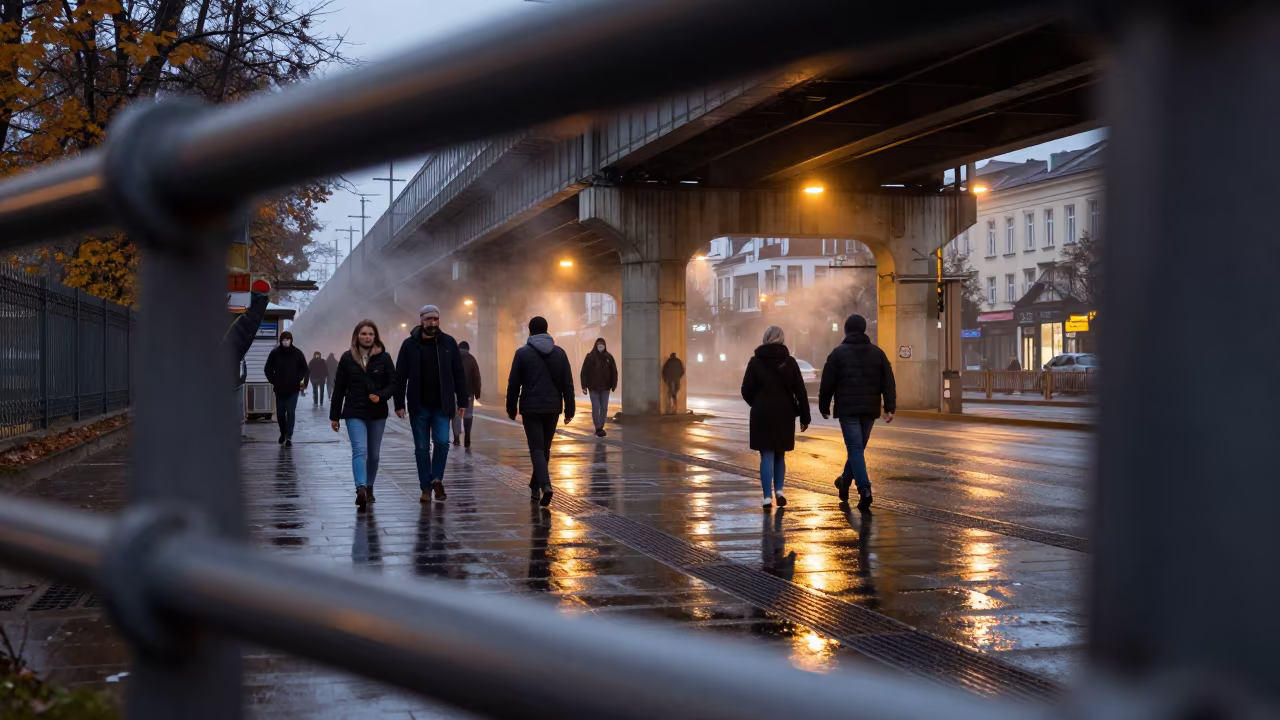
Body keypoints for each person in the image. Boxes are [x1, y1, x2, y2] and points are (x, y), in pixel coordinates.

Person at [819, 314, 896, 511]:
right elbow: (888, 380)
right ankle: (845, 481)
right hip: (870, 409)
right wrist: (889, 407)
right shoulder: (877, 353)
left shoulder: (837, 354)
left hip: (847, 409)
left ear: (846, 330)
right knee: (857, 449)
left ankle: (864, 489)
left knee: (855, 449)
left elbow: (827, 382)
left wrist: (824, 405)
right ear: (864, 330)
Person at [394, 305, 468, 503]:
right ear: (421, 320)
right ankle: (425, 488)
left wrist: (462, 400)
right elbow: (400, 376)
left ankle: (436, 479)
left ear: (439, 320)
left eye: (435, 319)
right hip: (419, 405)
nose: (432, 323)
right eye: (428, 319)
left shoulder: (448, 343)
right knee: (421, 448)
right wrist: (399, 402)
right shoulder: (409, 345)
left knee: (443, 442)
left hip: (442, 405)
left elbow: (459, 374)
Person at [506, 316, 575, 508]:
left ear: (530, 331)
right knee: (544, 449)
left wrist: (511, 408)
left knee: (537, 449)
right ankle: (534, 486)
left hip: (531, 408)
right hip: (553, 408)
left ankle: (545, 485)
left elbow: (513, 385)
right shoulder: (560, 354)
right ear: (547, 329)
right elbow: (567, 385)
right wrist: (570, 409)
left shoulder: (522, 354)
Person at [741, 326, 811, 509]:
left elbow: (745, 390)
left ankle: (766, 497)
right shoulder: (790, 362)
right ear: (782, 339)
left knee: (766, 454)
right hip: (785, 412)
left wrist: (757, 403)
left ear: (765, 339)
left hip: (761, 413)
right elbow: (800, 391)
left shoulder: (755, 362)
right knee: (780, 453)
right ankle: (779, 491)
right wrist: (805, 416)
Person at [330, 320, 396, 509]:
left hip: (377, 413)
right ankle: (360, 488)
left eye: (371, 334)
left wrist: (381, 396)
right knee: (360, 450)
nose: (367, 337)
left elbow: (394, 383)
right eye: (363, 334)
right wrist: (334, 416)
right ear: (356, 336)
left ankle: (369, 486)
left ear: (376, 337)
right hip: (354, 411)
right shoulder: (347, 358)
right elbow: (339, 388)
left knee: (374, 455)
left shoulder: (384, 358)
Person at [264, 330, 308, 447]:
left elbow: (304, 368)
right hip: (280, 389)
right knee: (280, 414)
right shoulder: (275, 354)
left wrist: (299, 379)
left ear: (291, 340)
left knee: (291, 412)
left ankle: (289, 436)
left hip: (293, 389)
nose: (286, 342)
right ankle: (283, 433)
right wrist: (274, 380)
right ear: (281, 341)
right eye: (284, 340)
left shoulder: (297, 353)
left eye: (288, 340)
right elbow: (267, 368)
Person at [579, 337, 618, 437]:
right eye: (599, 345)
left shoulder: (609, 357)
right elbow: (584, 372)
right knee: (596, 407)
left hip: (605, 387)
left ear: (605, 346)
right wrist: (584, 385)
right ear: (596, 346)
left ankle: (601, 426)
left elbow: (614, 371)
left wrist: (613, 385)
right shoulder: (590, 357)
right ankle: (598, 427)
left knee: (604, 407)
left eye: (602, 345)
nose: (600, 347)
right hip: (593, 387)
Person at [452, 341, 482, 448]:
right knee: (468, 415)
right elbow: (477, 377)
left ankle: (456, 438)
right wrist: (477, 392)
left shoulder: (452, 358)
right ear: (468, 349)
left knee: (456, 415)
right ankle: (467, 439)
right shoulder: (471, 359)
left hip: (454, 392)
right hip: (468, 392)